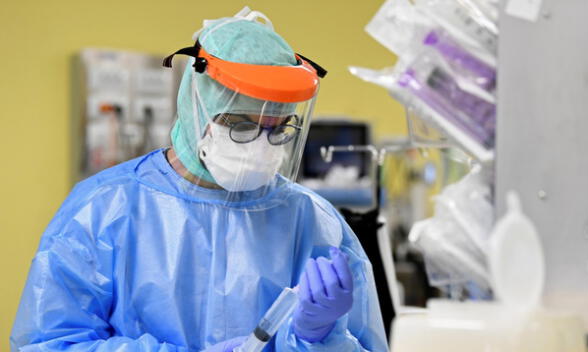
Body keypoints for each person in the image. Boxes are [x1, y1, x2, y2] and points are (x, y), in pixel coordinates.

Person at [10, 7, 388, 352]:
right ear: (197, 107)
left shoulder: (311, 222)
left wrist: (317, 337)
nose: (260, 145)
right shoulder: (104, 209)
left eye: (278, 129)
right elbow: (50, 343)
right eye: (241, 125)